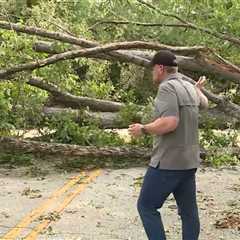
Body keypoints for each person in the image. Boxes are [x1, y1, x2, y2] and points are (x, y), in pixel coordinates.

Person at [128, 50, 208, 240]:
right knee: (188, 213)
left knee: (146, 206)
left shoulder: (167, 88)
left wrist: (143, 129)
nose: (152, 73)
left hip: (168, 163)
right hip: (189, 163)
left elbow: (170, 122)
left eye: (153, 69)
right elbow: (203, 103)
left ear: (160, 68)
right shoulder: (188, 87)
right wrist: (197, 89)